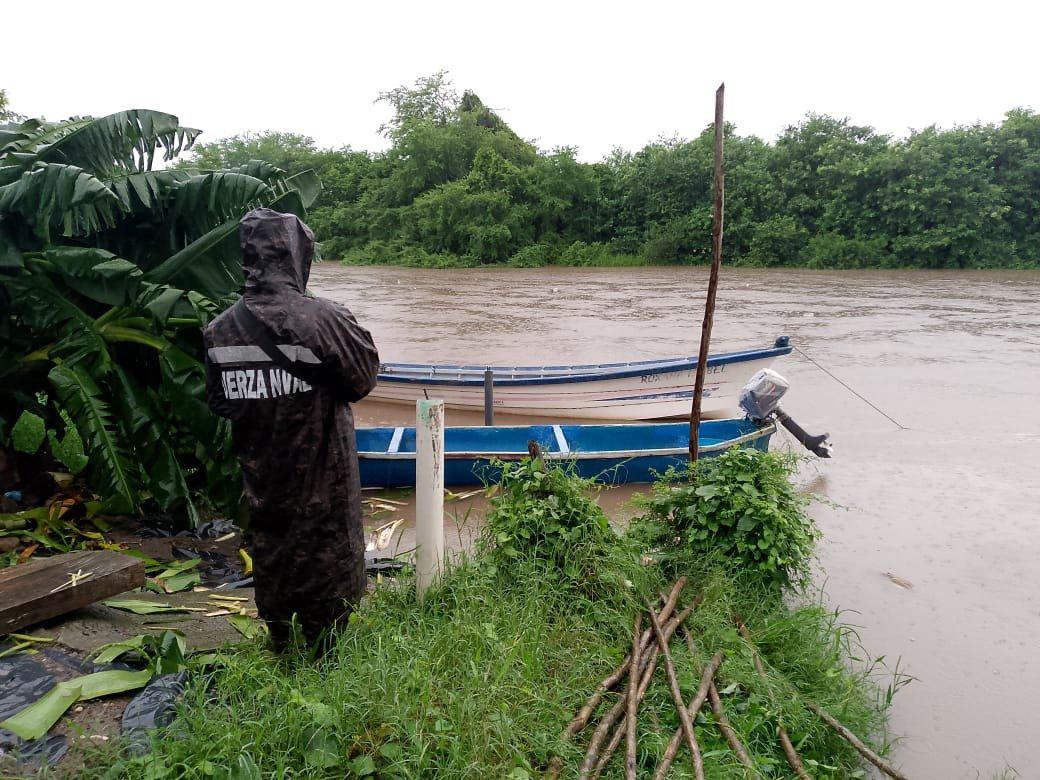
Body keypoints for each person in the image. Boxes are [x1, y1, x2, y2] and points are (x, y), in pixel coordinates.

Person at [203, 208, 380, 650]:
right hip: (325, 483)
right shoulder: (323, 319)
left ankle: (280, 640)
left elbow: (221, 403)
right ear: (298, 255)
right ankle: (327, 657)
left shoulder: (219, 330)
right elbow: (363, 379)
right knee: (330, 567)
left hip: (263, 481)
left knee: (272, 554)